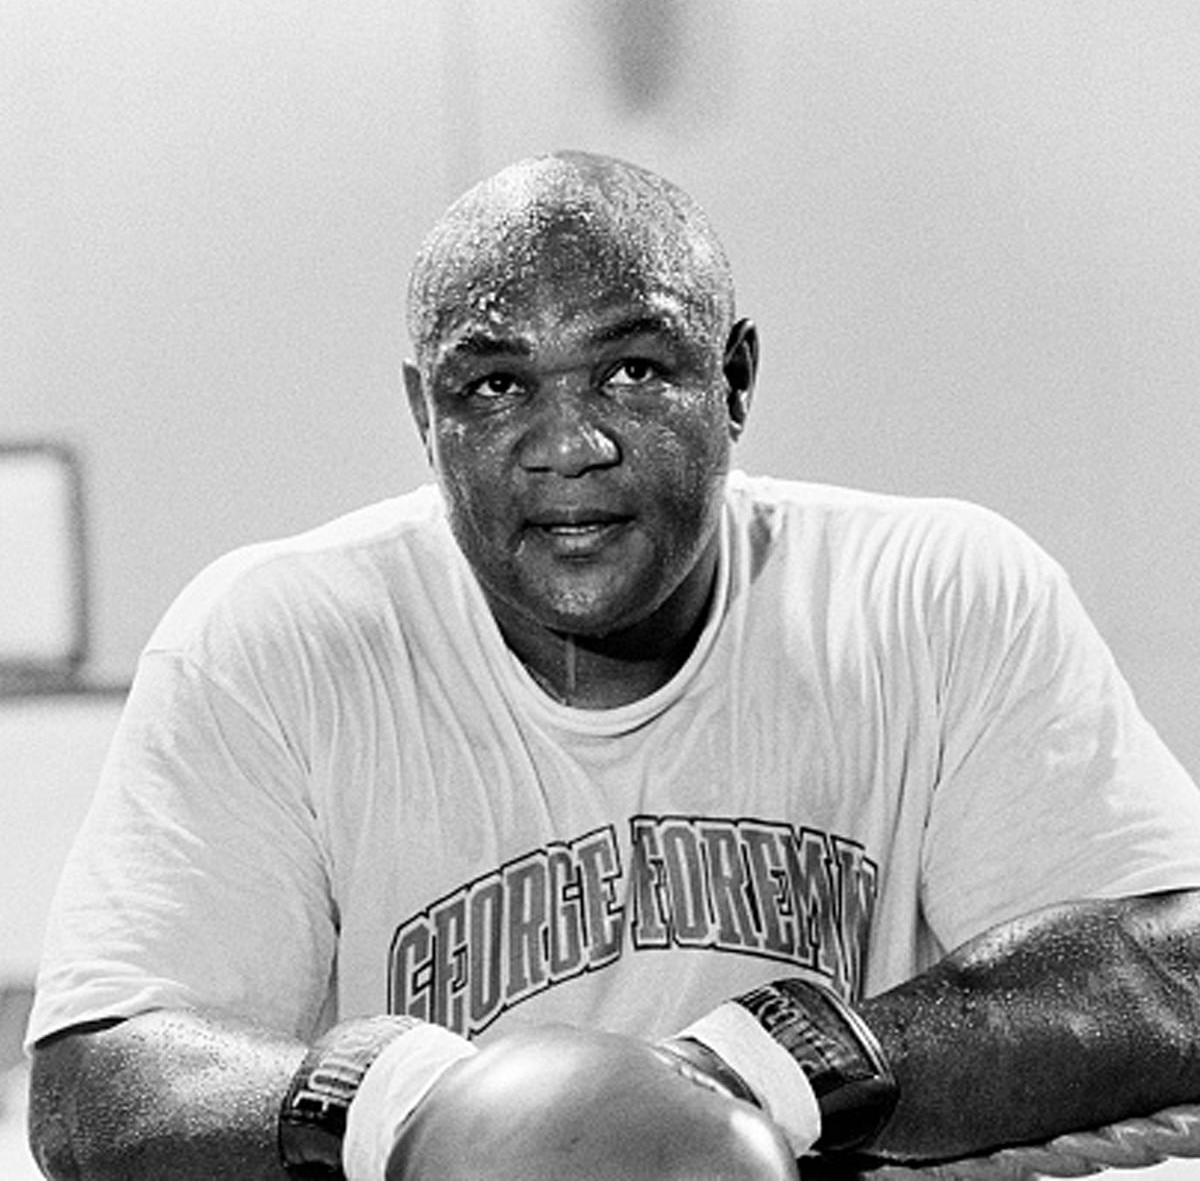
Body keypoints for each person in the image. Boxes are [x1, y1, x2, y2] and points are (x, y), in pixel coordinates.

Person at [24, 149, 1200, 1180]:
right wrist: (425, 1116)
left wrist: (761, 1076)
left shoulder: (929, 592)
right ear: (422, 419)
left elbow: (1170, 970)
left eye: (631, 370)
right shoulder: (272, 639)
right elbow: (100, 1088)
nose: (569, 446)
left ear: (733, 381)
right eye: (493, 388)